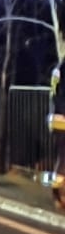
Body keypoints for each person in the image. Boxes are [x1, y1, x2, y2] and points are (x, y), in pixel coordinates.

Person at [51, 59, 65, 211]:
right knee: (63, 158)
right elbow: (55, 94)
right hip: (61, 119)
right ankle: (57, 193)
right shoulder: (59, 70)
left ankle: (58, 192)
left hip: (59, 117)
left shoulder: (57, 69)